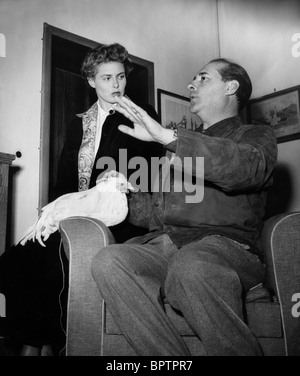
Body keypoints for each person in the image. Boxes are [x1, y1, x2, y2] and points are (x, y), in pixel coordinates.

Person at [91, 58, 278, 356]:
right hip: (168, 247)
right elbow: (156, 213)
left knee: (191, 265)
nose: (191, 84)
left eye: (203, 78)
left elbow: (244, 168)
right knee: (110, 260)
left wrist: (169, 137)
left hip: (226, 247)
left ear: (231, 87)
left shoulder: (254, 137)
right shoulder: (177, 149)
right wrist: (116, 191)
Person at [0, 43, 163, 356]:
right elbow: (64, 179)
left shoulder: (141, 116)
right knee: (12, 263)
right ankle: (38, 340)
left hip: (121, 217)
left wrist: (119, 176)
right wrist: (58, 213)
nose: (116, 85)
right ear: (91, 81)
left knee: (55, 266)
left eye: (120, 77)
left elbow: (150, 168)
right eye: (106, 78)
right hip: (77, 216)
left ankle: (44, 348)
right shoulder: (80, 122)